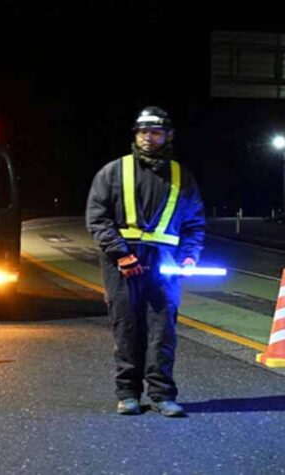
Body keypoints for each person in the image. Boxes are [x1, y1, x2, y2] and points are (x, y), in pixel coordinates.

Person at [86, 106, 205, 417]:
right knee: (126, 329)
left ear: (168, 135)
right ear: (135, 136)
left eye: (155, 132)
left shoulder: (182, 176)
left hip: (165, 264)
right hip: (122, 263)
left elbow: (194, 224)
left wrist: (190, 256)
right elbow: (97, 218)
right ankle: (128, 394)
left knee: (162, 331)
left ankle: (162, 395)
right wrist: (121, 254)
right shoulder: (113, 172)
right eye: (143, 132)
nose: (148, 138)